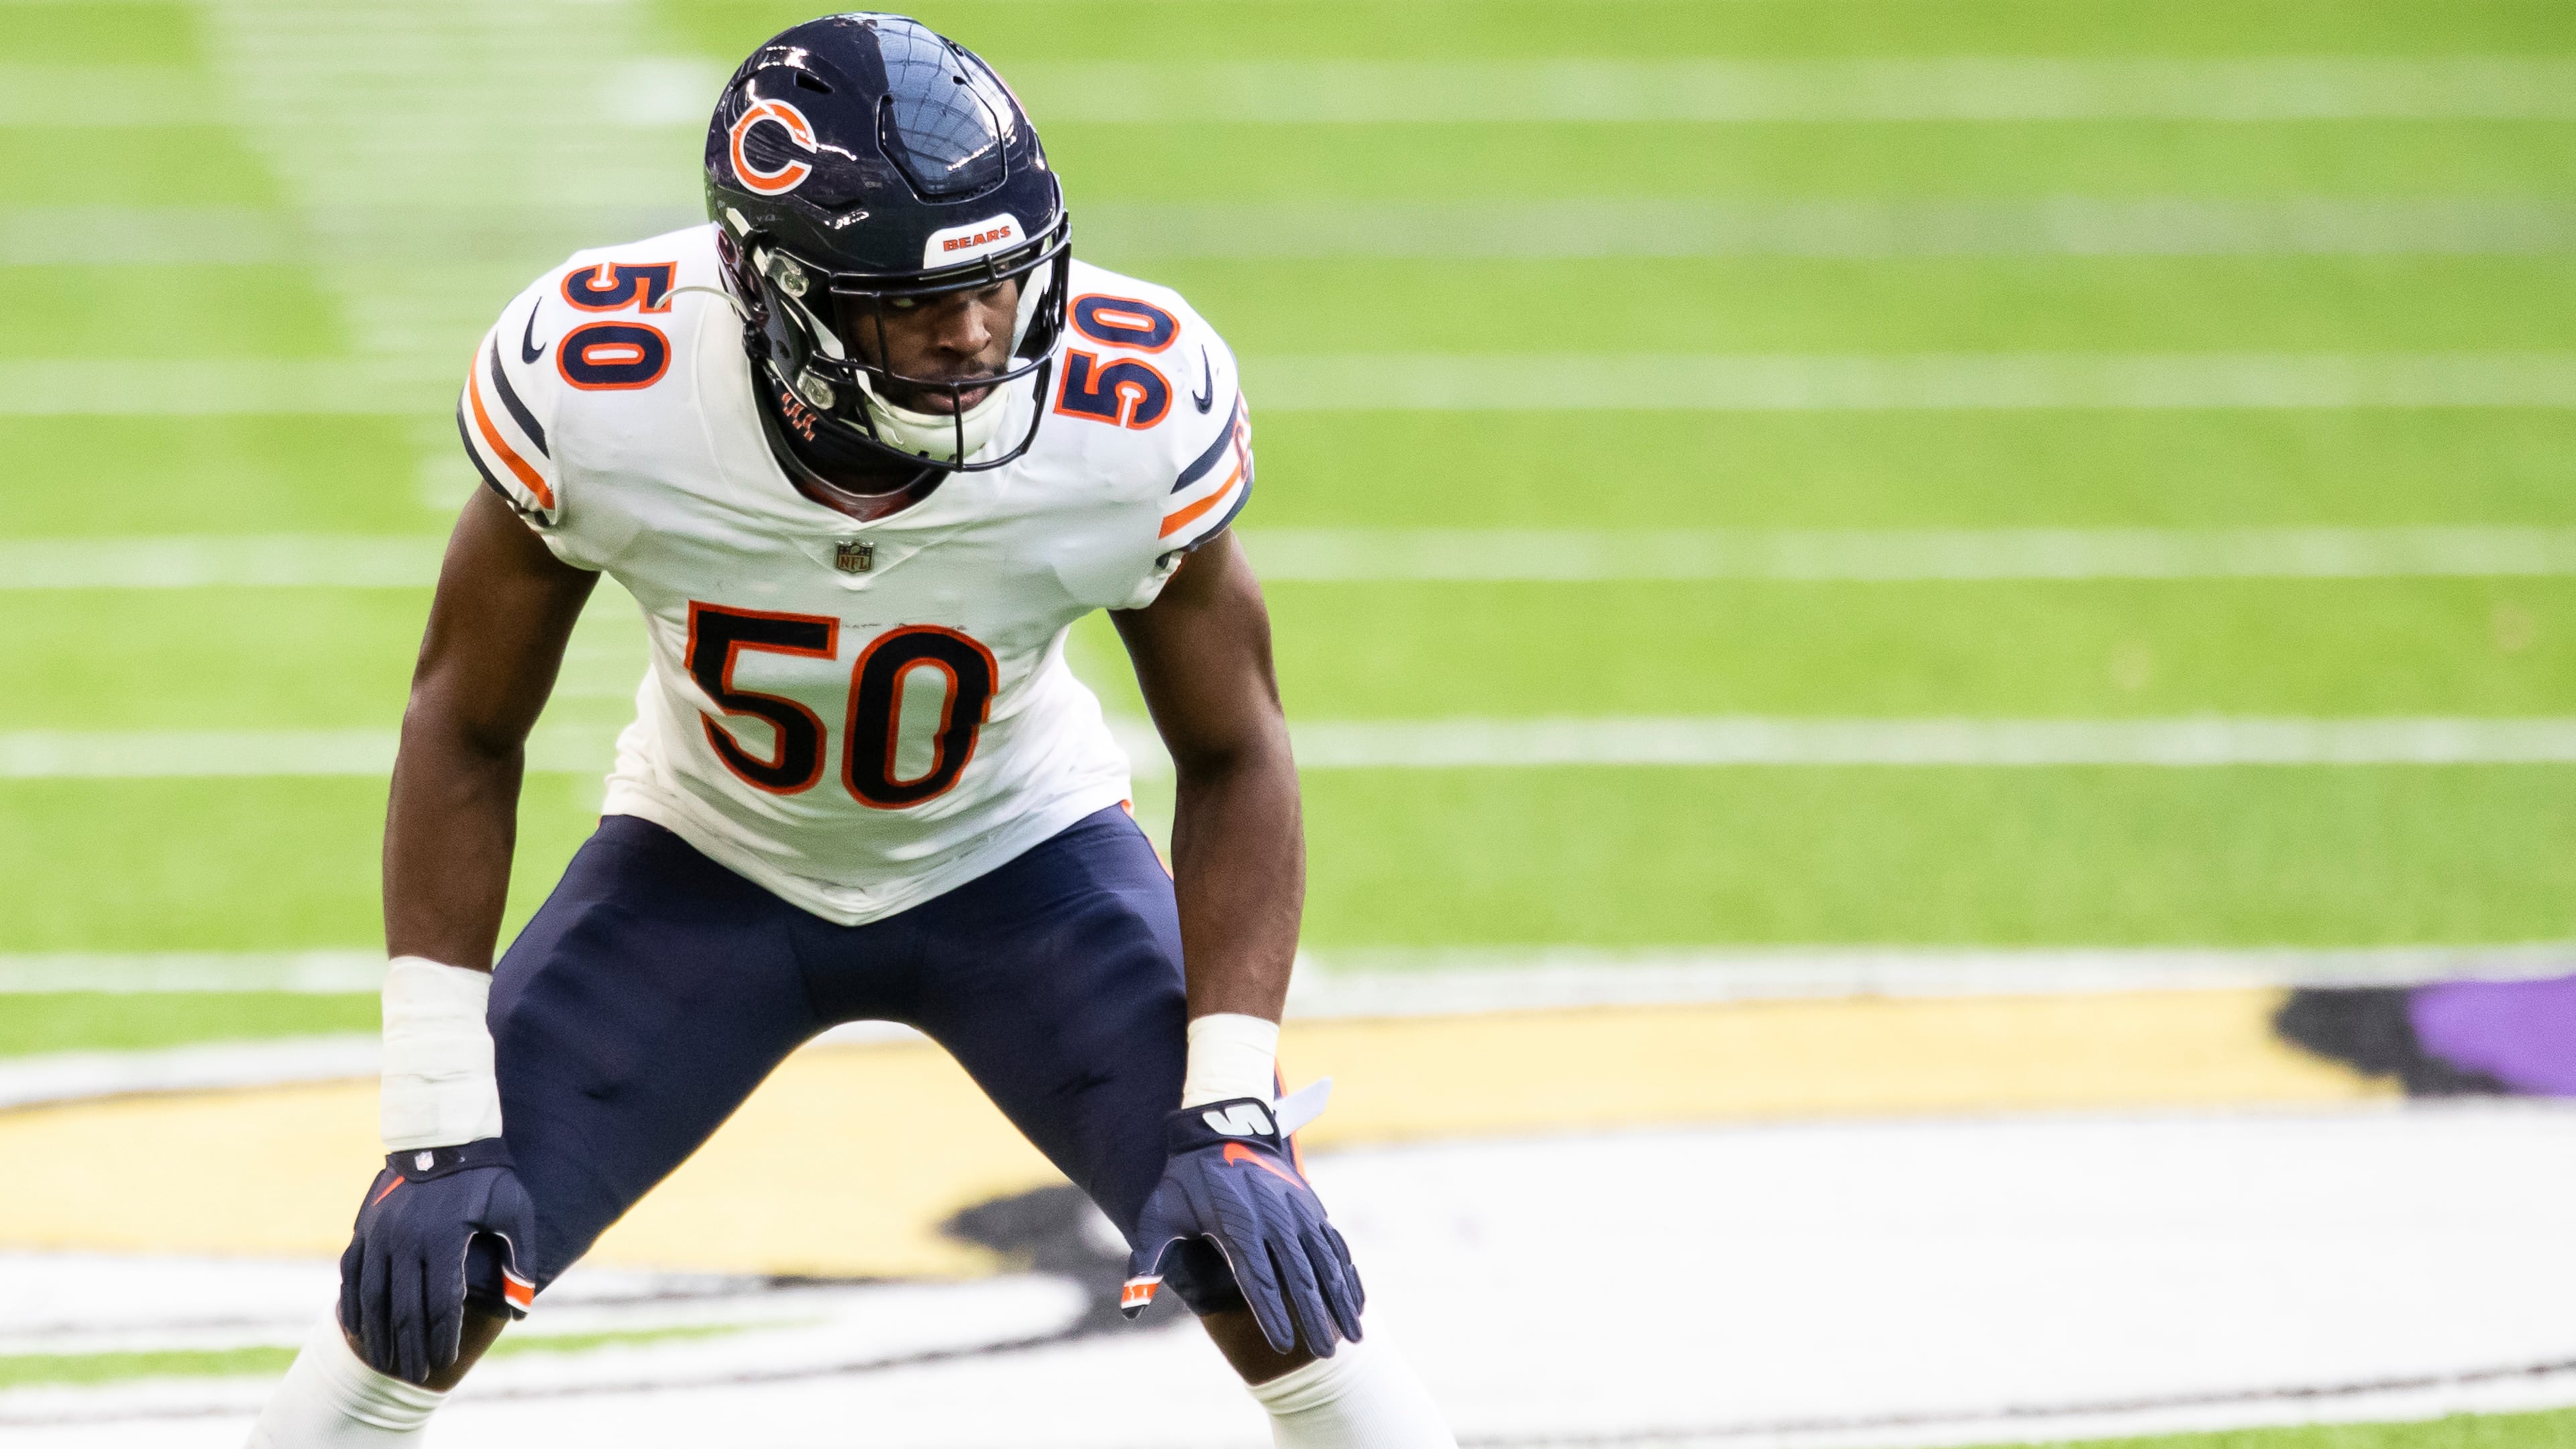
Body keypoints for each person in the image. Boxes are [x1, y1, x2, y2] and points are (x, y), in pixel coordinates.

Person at [245, 13, 1454, 1446]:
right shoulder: (605, 382)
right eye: (914, 303)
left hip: (1028, 866)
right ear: (775, 292)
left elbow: (1236, 746)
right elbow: (464, 719)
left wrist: (1236, 1102)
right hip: (701, 867)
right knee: (417, 1294)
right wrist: (435, 1113)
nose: (978, 332)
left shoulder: (1126, 409)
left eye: (1005, 282)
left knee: (1268, 1268)